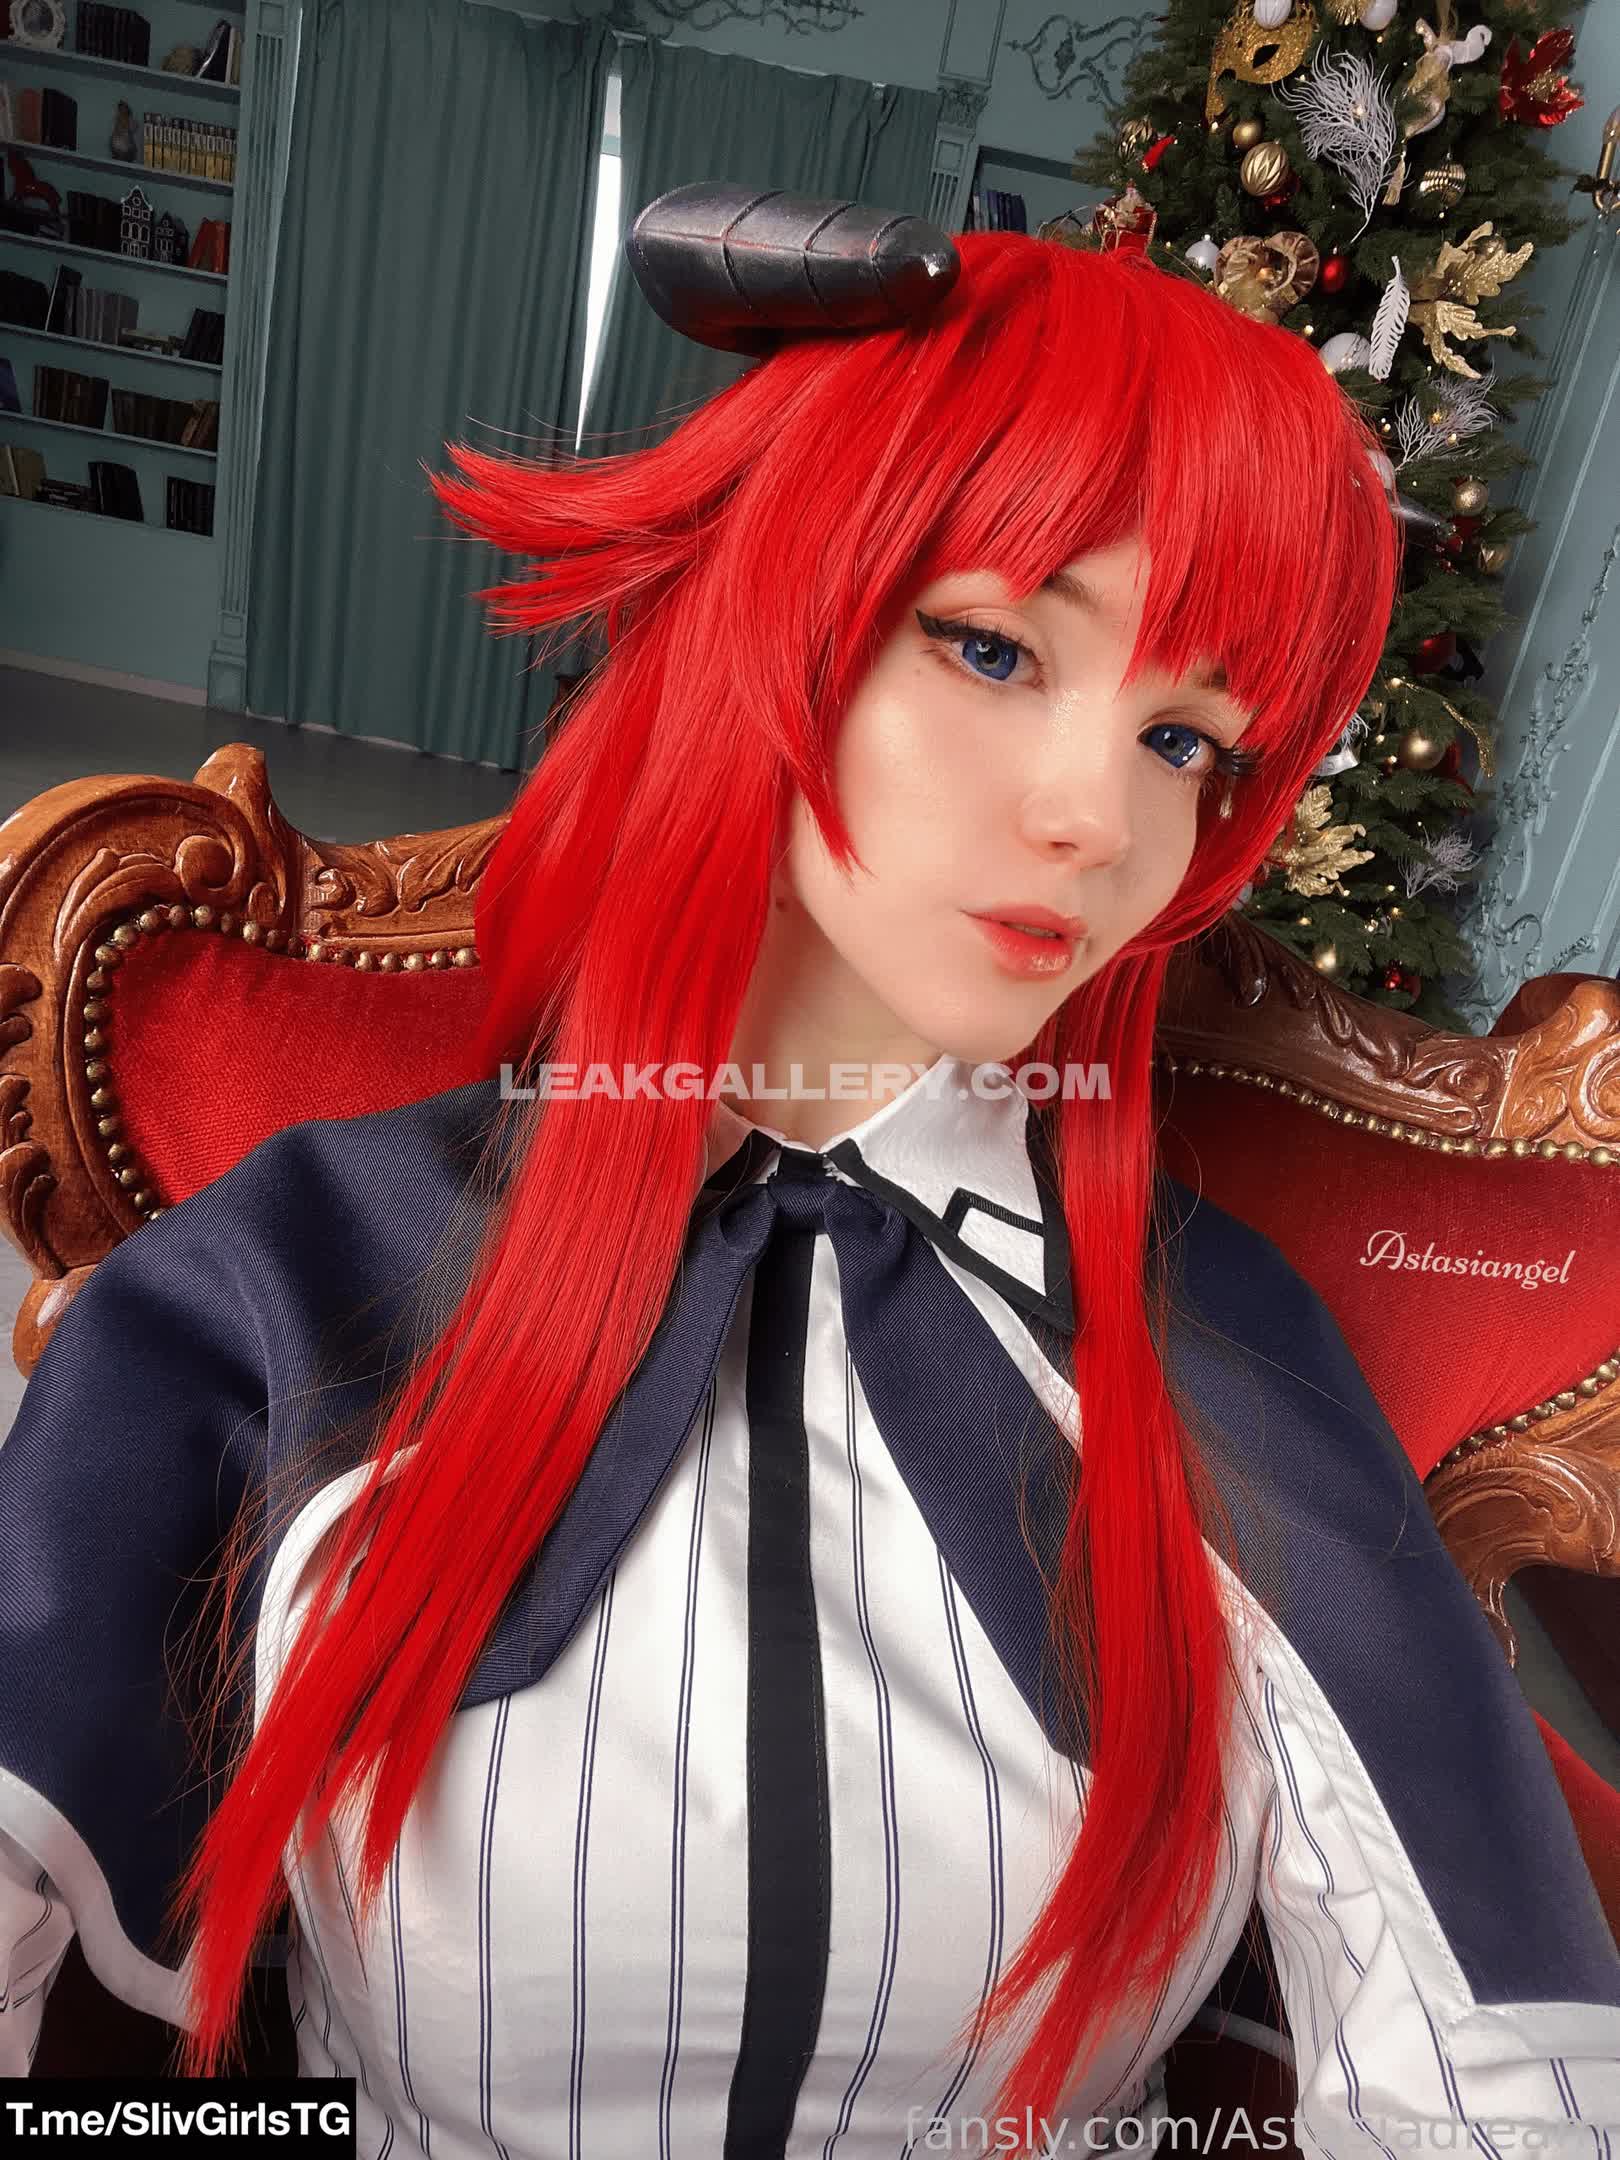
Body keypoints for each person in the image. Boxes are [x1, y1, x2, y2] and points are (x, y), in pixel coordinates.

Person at [1, 185, 1617, 2158]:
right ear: (762, 609)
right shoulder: (296, 1273)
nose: (1101, 819)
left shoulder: (1217, 1348)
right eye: (994, 647)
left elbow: (1500, 2050)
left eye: (1191, 742)